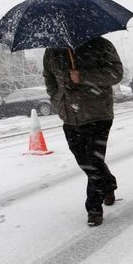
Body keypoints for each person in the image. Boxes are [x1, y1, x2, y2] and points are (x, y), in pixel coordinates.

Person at [43, 36, 123, 226]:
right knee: (84, 161)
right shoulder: (52, 51)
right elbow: (49, 78)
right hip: (70, 116)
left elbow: (116, 73)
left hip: (98, 114)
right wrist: (56, 99)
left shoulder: (101, 45)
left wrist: (84, 76)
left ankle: (94, 209)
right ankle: (108, 183)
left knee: (93, 162)